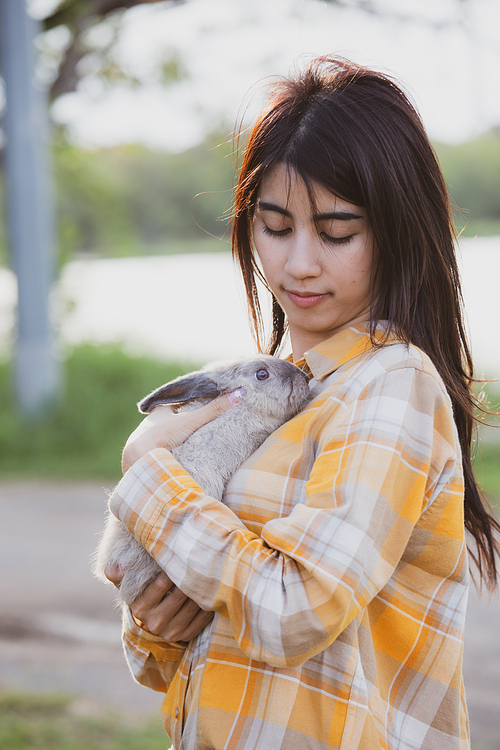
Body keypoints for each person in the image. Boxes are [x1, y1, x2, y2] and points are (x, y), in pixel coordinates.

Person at [104, 56, 500, 749]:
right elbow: (170, 656)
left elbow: (293, 610)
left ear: (398, 231)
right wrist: (154, 625)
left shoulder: (393, 385)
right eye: (276, 227)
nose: (298, 264)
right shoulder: (280, 391)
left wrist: (144, 471)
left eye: (337, 232)